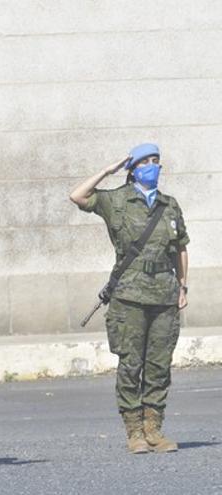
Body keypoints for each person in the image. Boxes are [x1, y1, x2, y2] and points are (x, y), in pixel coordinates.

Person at [69, 143, 188, 454]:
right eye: (146, 162)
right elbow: (78, 196)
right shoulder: (117, 200)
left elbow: (181, 248)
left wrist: (183, 287)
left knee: (159, 365)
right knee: (131, 364)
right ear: (133, 169)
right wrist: (108, 170)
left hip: (164, 294)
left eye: (157, 161)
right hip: (129, 296)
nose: (153, 166)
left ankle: (154, 428)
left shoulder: (169, 205)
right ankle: (134, 431)